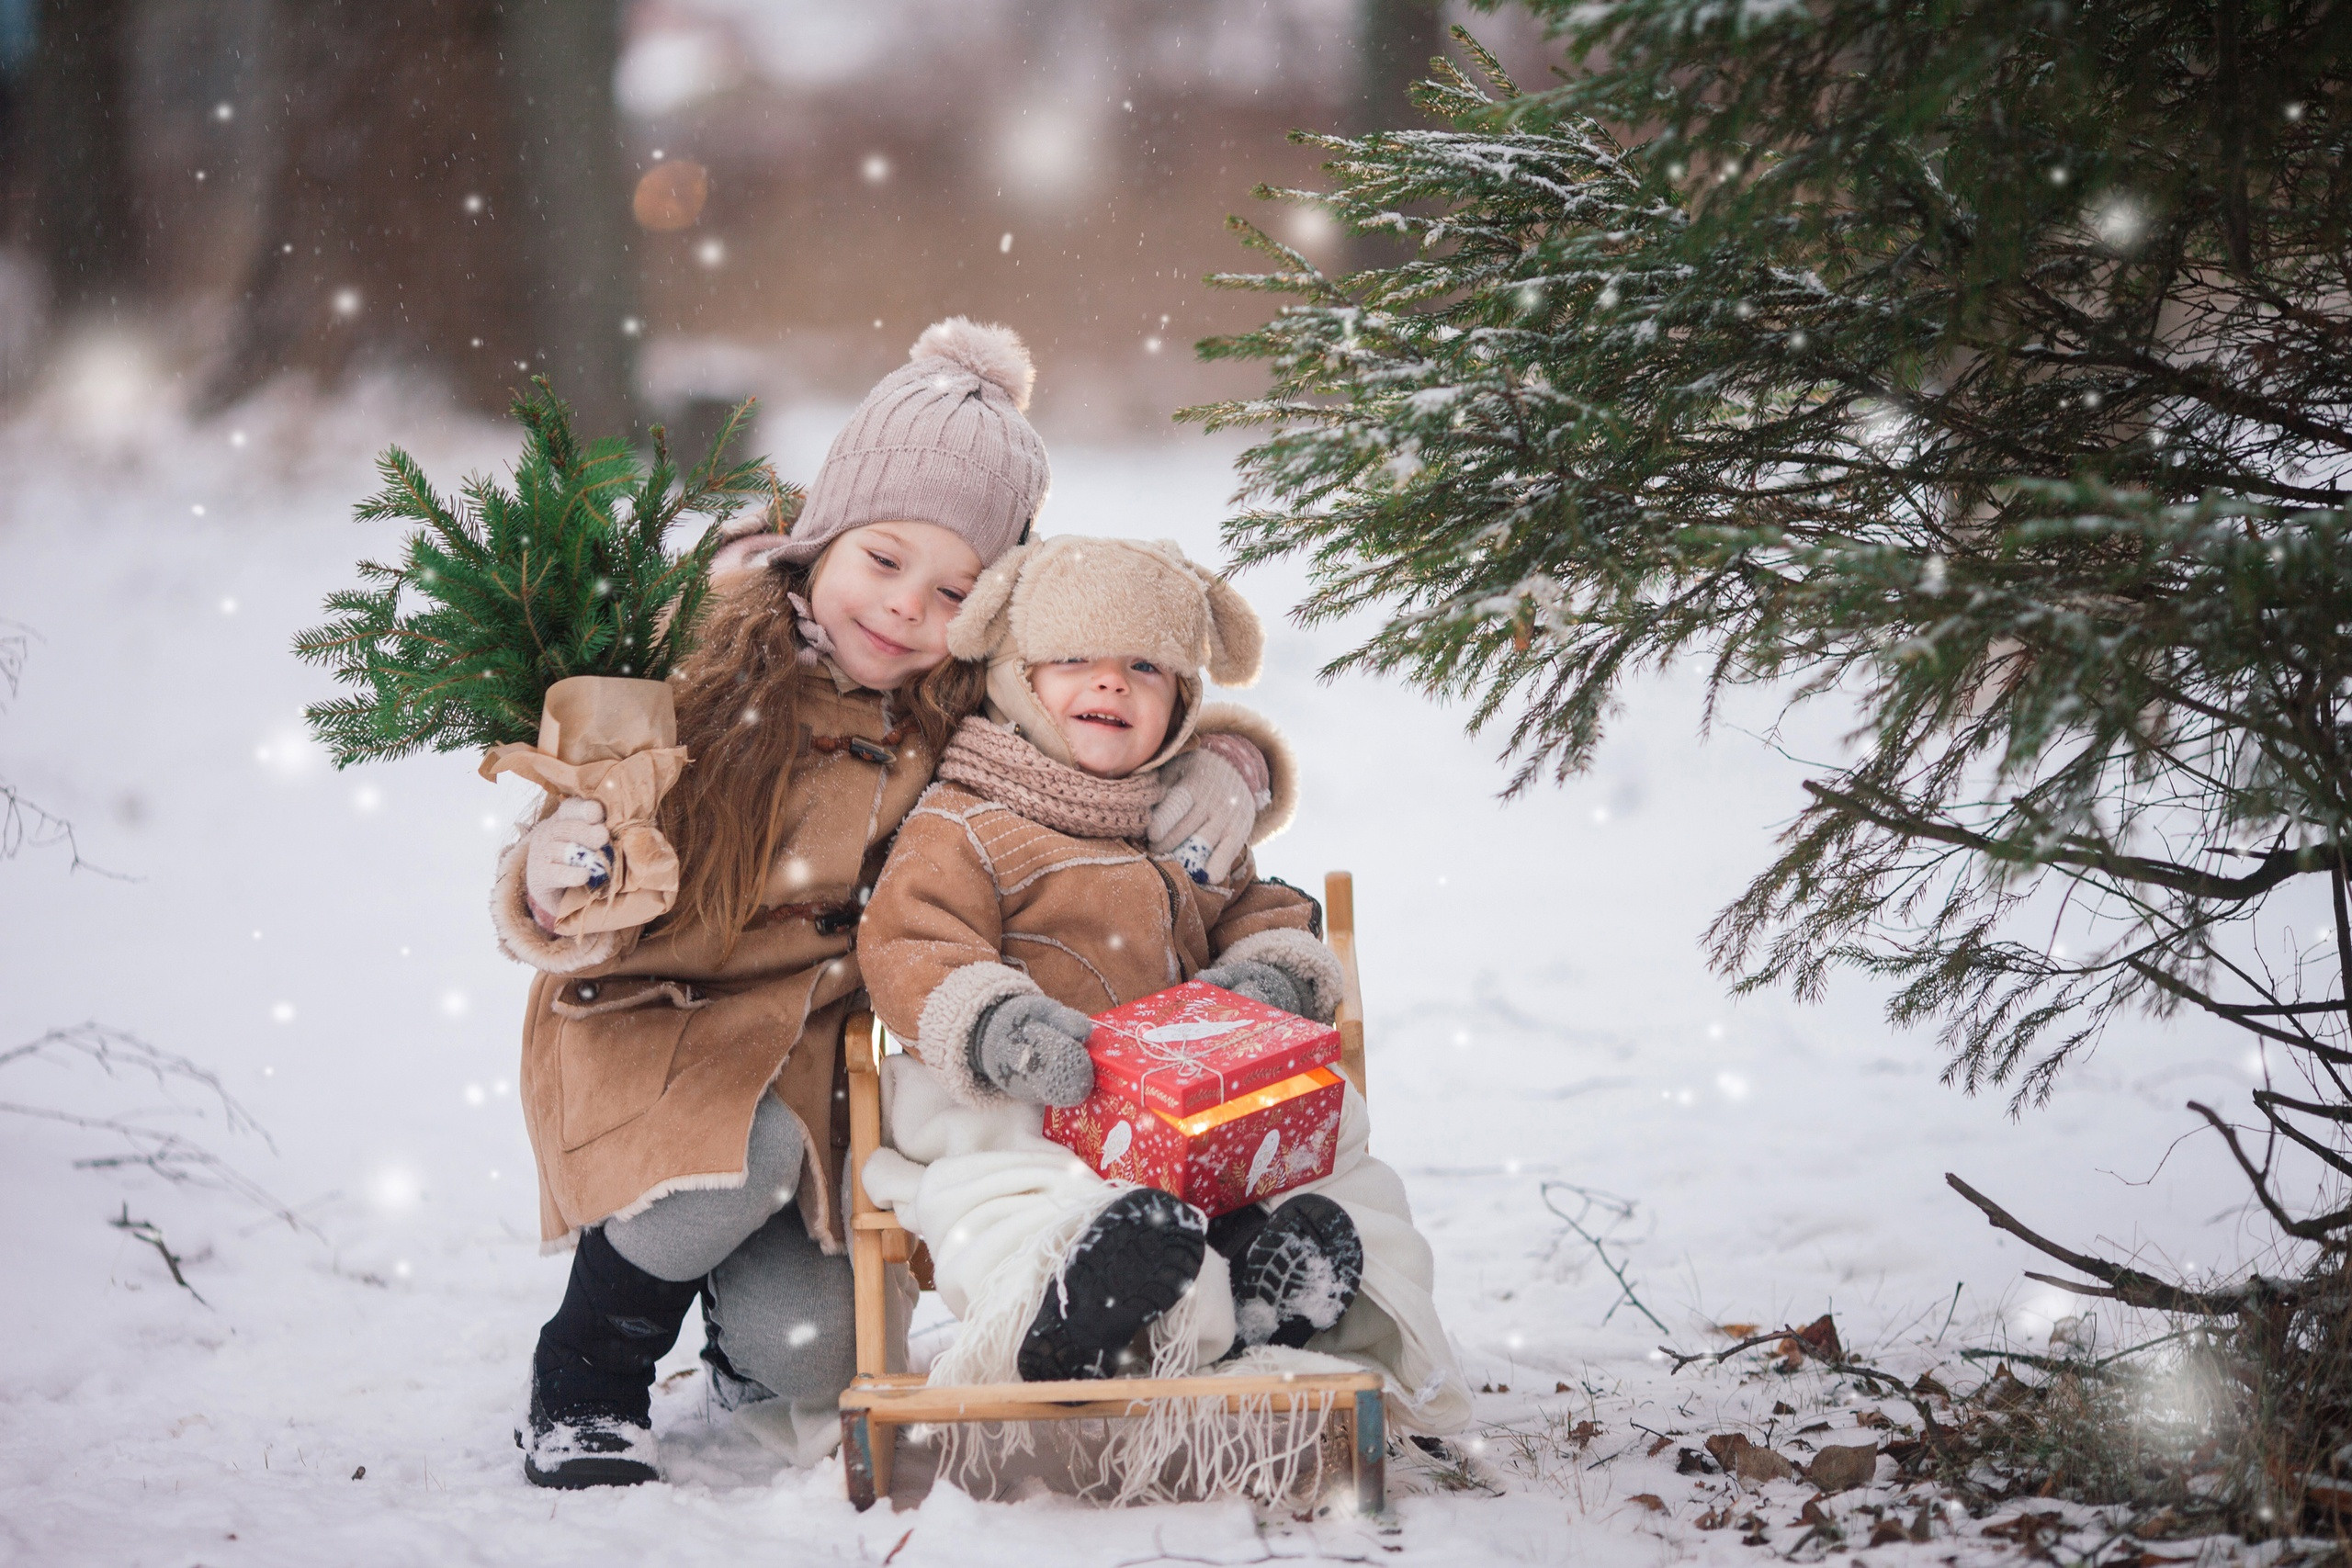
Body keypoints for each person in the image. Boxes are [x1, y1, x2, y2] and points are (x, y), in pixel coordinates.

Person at [490, 322, 1284, 1487]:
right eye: (882, 559)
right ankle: (585, 1377)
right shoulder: (693, 657)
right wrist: (554, 875)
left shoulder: (963, 699)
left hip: (816, 1062)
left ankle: (743, 1339)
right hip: (650, 1026)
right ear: (822, 535)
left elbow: (1100, 691)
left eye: (953, 589)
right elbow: (575, 821)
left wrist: (1228, 763)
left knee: (819, 1355)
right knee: (735, 1157)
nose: (908, 607)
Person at [856, 536, 1471, 1472]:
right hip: (1034, 1095)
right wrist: (997, 1025)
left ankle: (1266, 1283)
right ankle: (1072, 1298)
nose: (1110, 683)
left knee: (1325, 1141)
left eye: (1144, 667)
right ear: (1014, 676)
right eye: (1072, 658)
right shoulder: (966, 818)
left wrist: (1267, 977)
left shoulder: (1180, 819)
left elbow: (1257, 908)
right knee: (1005, 1183)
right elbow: (912, 941)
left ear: (1182, 698)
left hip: (1185, 1108)